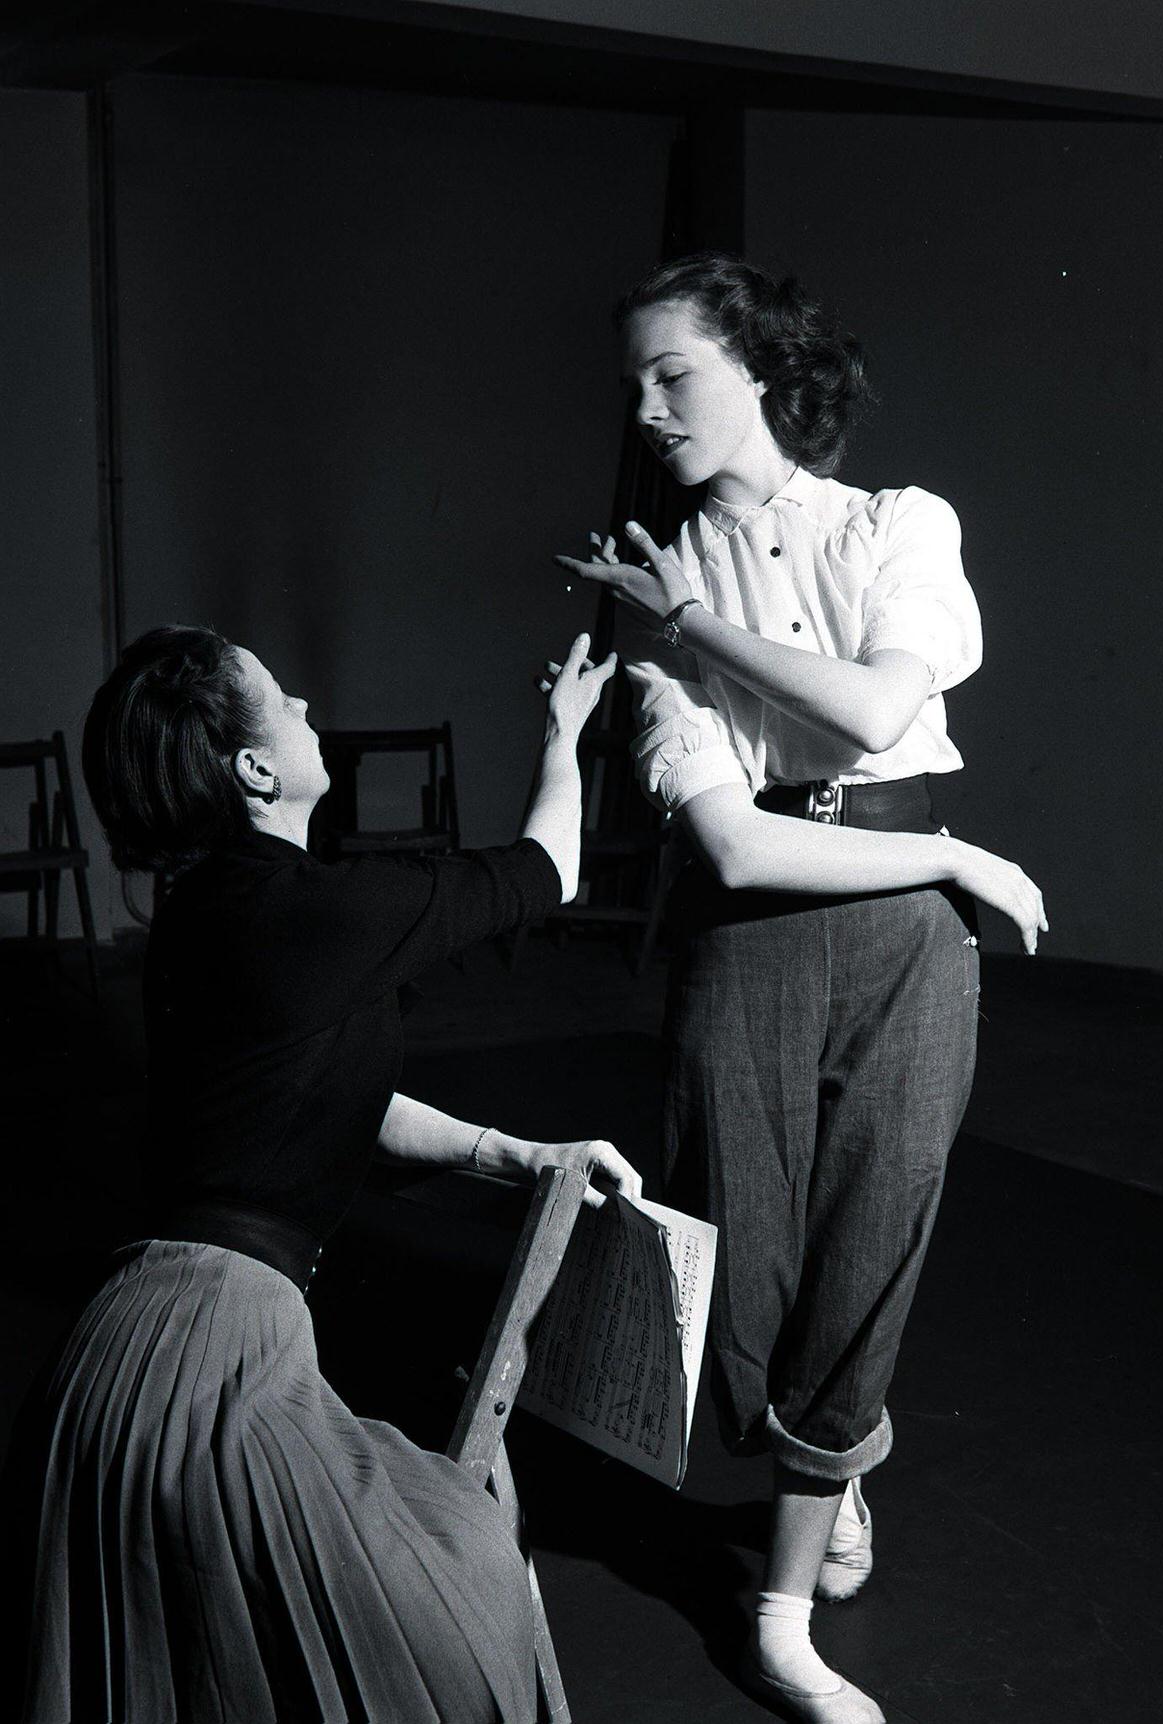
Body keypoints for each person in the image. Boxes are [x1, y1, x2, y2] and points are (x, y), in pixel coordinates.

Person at [556, 252, 1046, 1724]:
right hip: (752, 938)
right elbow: (730, 840)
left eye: (674, 375)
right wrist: (953, 847)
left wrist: (696, 631)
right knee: (743, 1299)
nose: (647, 411)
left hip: (910, 956)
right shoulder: (653, 597)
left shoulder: (898, 526)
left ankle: (778, 1622)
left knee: (872, 1249)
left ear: (760, 369)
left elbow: (882, 706)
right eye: (632, 387)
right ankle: (839, 1447)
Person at [20, 623, 639, 1723]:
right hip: (215, 1360)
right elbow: (548, 871)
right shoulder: (319, 910)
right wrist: (562, 735)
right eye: (283, 697)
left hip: (114, 1360)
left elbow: (325, 1097)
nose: (308, 706)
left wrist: (515, 1155)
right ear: (256, 768)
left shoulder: (208, 915)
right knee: (465, 1602)